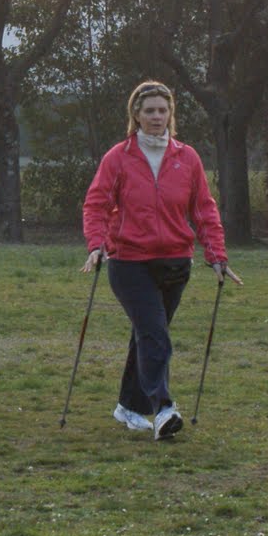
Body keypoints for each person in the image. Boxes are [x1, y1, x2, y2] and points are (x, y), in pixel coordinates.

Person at [81, 80, 242, 441]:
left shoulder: (188, 158)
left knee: (148, 334)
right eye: (150, 110)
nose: (157, 116)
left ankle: (128, 405)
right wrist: (97, 244)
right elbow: (97, 204)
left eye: (163, 110)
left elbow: (204, 210)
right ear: (136, 115)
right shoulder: (117, 157)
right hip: (129, 261)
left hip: (175, 262)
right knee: (155, 334)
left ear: (171, 114)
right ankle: (164, 409)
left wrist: (216, 255)